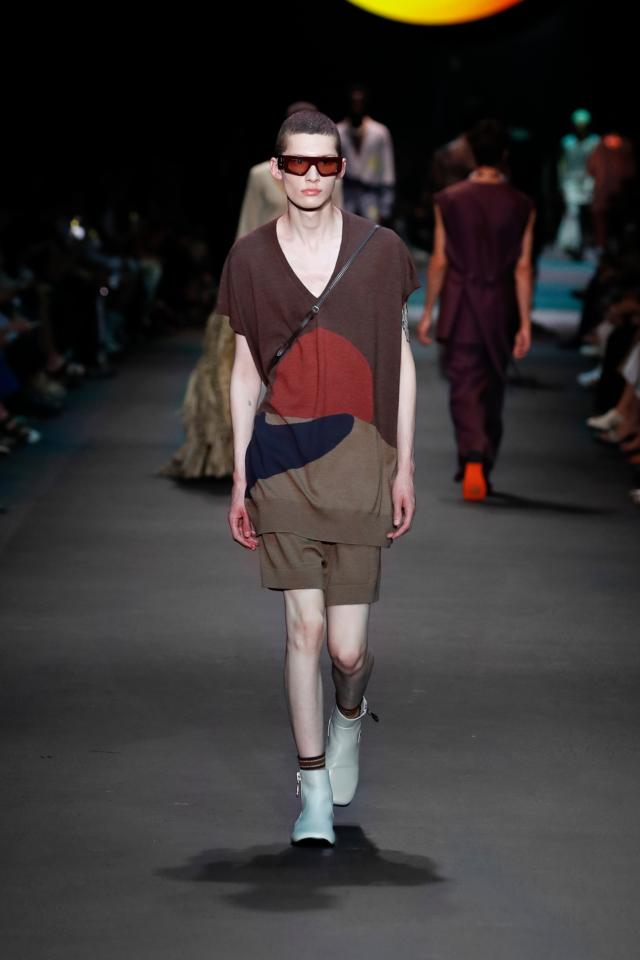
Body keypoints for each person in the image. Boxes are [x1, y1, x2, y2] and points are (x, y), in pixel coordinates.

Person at [223, 109, 419, 845]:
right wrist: (240, 472)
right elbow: (245, 372)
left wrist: (405, 464)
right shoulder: (249, 259)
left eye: (325, 164)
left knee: (347, 650)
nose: (311, 176)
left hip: (363, 459)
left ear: (342, 169)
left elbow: (400, 360)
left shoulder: (382, 250)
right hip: (281, 460)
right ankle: (310, 789)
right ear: (277, 169)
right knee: (303, 628)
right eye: (298, 163)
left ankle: (349, 716)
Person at [160, 103, 342, 481]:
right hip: (265, 279)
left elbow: (334, 226)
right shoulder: (260, 175)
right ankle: (236, 457)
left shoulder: (327, 173)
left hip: (309, 282)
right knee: (244, 370)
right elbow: (246, 226)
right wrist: (237, 281)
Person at [417, 118, 535, 500]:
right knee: (493, 384)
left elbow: (439, 260)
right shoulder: (522, 204)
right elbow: (523, 267)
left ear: (471, 155)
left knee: (463, 382)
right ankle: (482, 458)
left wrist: (429, 311)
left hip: (462, 301)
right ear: (504, 155)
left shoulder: (448, 199)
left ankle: (471, 452)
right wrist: (525, 322)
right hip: (500, 303)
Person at [337, 85, 395, 224]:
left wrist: (385, 207)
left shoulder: (380, 132)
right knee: (346, 232)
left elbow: (387, 170)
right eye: (353, 102)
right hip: (346, 196)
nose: (357, 106)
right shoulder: (338, 131)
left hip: (371, 197)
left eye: (360, 101)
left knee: (371, 233)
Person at [556, 109, 599, 259]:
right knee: (572, 212)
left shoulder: (594, 141)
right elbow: (561, 164)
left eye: (583, 124)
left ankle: (590, 243)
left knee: (590, 213)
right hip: (571, 182)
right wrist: (561, 184)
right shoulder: (567, 142)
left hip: (589, 181)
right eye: (578, 124)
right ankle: (572, 243)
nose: (581, 127)